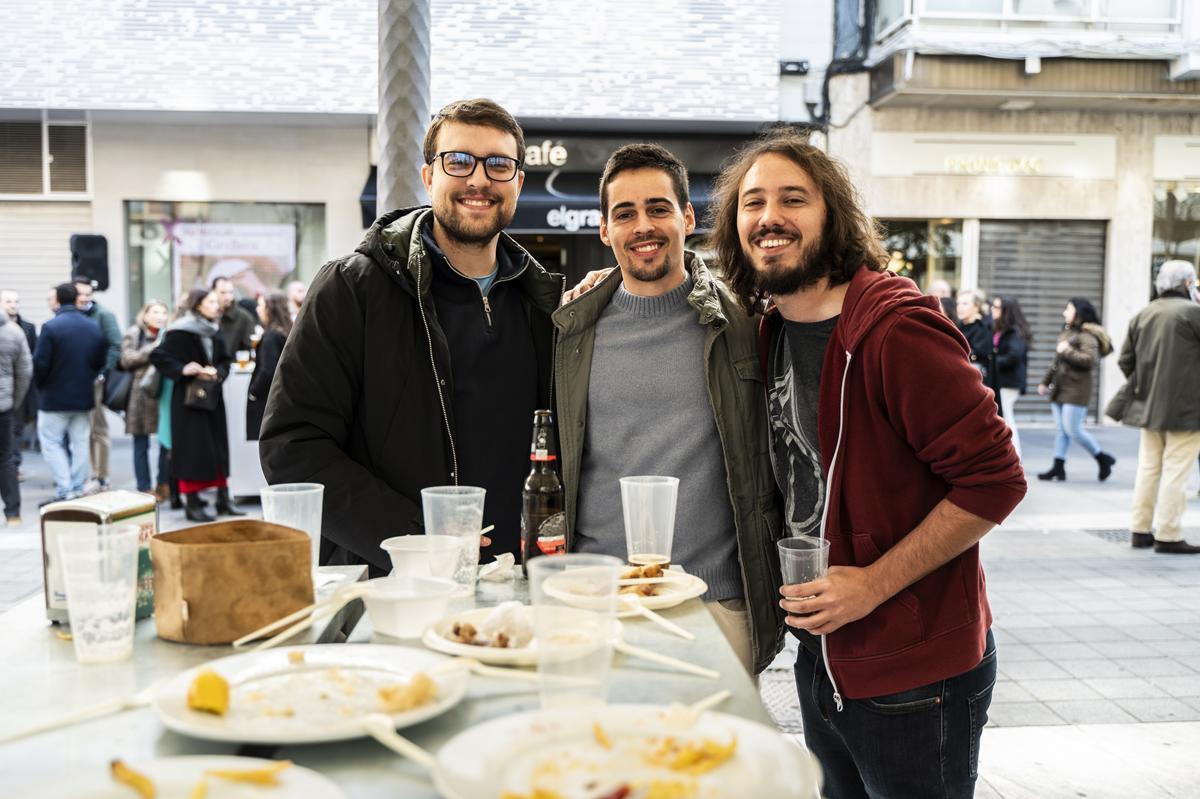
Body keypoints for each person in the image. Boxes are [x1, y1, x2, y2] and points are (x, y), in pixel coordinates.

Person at [709, 132, 1025, 798]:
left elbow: (996, 480)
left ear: (833, 217)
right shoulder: (769, 328)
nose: (770, 216)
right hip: (824, 659)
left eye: (793, 199)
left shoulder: (895, 329)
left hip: (916, 679)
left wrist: (873, 584)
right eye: (753, 202)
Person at [260, 98, 561, 573]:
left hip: (522, 579)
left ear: (519, 182)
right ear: (429, 177)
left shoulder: (543, 304)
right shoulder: (353, 288)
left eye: (499, 165)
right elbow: (293, 446)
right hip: (395, 585)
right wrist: (419, 543)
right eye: (458, 161)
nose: (479, 179)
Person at [552, 144, 783, 675]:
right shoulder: (570, 332)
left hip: (715, 604)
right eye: (624, 213)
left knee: (714, 756)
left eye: (658, 209)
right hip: (598, 600)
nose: (643, 226)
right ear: (604, 230)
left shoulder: (744, 324)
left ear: (686, 217)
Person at [1113, 261, 1200, 554]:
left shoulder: (1144, 313)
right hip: (1188, 409)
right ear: (1188, 283)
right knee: (1176, 470)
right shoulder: (1192, 313)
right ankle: (1168, 533)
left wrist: (1148, 386)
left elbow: (1126, 361)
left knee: (1148, 469)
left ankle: (1140, 530)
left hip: (1149, 407)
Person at [150, 288, 244, 522]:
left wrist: (218, 373)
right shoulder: (180, 330)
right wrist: (183, 369)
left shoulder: (214, 329)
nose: (216, 305)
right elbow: (158, 356)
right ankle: (191, 502)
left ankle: (223, 499)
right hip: (188, 401)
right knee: (192, 450)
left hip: (212, 398)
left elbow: (225, 360)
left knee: (217, 447)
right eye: (210, 301)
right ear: (197, 305)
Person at [33, 284, 106, 502]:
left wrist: (41, 386)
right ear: (76, 299)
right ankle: (76, 486)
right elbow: (100, 361)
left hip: (54, 397)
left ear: (57, 299)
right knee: (81, 442)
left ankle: (64, 489)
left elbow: (40, 363)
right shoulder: (92, 327)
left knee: (51, 442)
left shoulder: (51, 327)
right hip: (83, 395)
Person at [1036, 297, 1117, 482]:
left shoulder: (1088, 335)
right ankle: (1058, 467)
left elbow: (1089, 361)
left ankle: (1102, 458)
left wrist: (1066, 350)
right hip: (1060, 387)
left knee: (1073, 429)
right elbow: (1056, 361)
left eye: (1068, 309)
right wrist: (1045, 381)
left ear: (1078, 313)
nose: (1064, 313)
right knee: (1061, 431)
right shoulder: (1067, 332)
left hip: (1077, 388)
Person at [73, 278, 122, 492]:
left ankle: (101, 475)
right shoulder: (70, 315)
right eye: (79, 294)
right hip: (74, 379)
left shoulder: (103, 315)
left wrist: (104, 371)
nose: (84, 298)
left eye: (87, 294)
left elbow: (116, 344)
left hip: (96, 379)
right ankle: (83, 475)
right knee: (79, 430)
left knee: (97, 428)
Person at [120, 301, 169, 495]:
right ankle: (144, 488)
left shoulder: (169, 334)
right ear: (145, 315)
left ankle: (163, 484)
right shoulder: (135, 333)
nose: (160, 316)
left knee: (166, 440)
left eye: (163, 312)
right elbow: (127, 360)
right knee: (140, 443)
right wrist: (154, 347)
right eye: (155, 312)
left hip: (163, 391)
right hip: (140, 393)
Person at [1, 290, 37, 481]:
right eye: (8, 301)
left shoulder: (27, 328)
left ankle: (14, 465)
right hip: (6, 392)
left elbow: (27, 365)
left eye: (16, 301)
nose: (13, 305)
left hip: (18, 391)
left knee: (16, 430)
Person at [247, 291, 291, 440]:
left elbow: (268, 370)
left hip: (268, 402)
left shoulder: (271, 336)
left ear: (270, 309)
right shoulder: (288, 332)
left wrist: (253, 391)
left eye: (261, 305)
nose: (257, 309)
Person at [0, 315, 31, 524]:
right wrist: (14, 401)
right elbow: (24, 371)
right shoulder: (13, 331)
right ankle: (13, 513)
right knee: (5, 458)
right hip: (4, 405)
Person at [992, 296, 1032, 459]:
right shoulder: (999, 329)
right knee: (1004, 416)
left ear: (1006, 311)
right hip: (1003, 381)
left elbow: (1013, 356)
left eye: (996, 307)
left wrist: (992, 363)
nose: (992, 310)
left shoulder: (1013, 332)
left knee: (1007, 417)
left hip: (1009, 382)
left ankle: (1015, 455)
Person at [212, 276, 256, 355]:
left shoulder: (245, 318)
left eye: (231, 292)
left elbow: (248, 348)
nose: (228, 297)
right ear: (213, 291)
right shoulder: (207, 315)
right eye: (223, 292)